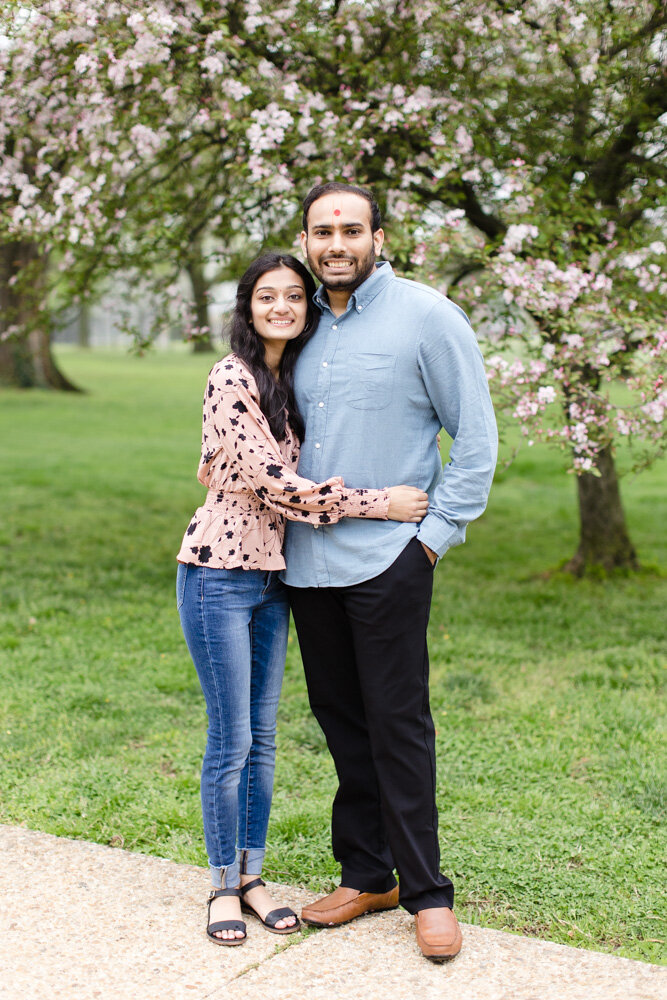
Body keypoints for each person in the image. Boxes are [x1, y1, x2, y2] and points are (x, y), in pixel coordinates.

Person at [176, 251, 429, 947]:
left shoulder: (282, 380)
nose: (282, 306)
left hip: (271, 580)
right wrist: (380, 503)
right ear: (247, 306)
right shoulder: (231, 374)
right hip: (218, 575)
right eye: (267, 296)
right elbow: (278, 485)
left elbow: (235, 464)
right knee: (230, 742)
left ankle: (253, 880)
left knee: (261, 742)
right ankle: (222, 887)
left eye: (294, 296)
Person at [284, 183, 498, 961]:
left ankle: (428, 892)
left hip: (389, 561)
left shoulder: (427, 317)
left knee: (398, 726)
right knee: (341, 722)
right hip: (305, 565)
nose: (335, 243)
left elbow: (474, 439)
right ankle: (367, 873)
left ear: (378, 235)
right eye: (321, 231)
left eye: (349, 229)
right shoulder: (297, 321)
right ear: (305, 240)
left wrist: (434, 539)